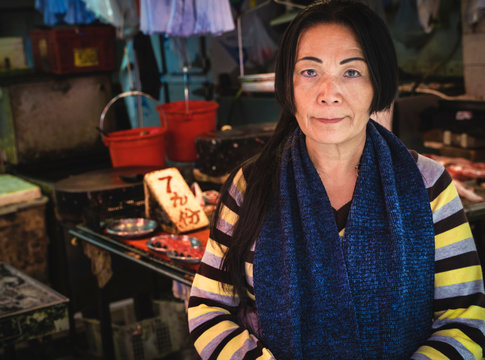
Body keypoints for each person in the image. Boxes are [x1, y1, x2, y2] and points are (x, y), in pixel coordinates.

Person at [187, 0, 485, 359]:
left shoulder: (428, 185)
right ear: (288, 84)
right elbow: (207, 307)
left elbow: (465, 319)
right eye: (309, 72)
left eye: (352, 72)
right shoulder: (251, 185)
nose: (328, 93)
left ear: (378, 83)